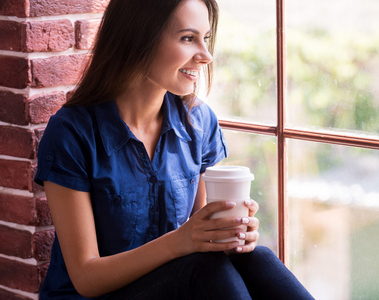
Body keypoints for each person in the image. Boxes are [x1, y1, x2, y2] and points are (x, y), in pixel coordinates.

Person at [34, 0, 314, 299]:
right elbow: (86, 278)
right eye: (187, 38)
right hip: (96, 295)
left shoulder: (197, 121)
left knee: (258, 258)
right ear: (139, 38)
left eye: (205, 39)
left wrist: (227, 234)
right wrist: (180, 242)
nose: (205, 56)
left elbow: (201, 237)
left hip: (175, 284)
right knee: (206, 270)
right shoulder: (72, 133)